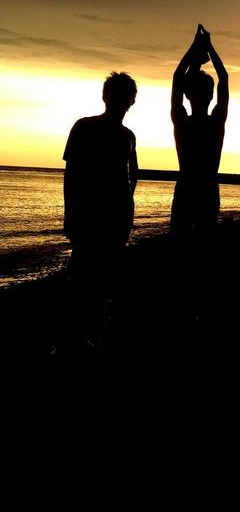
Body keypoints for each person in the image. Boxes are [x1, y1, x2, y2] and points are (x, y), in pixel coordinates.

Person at [63, 71, 139, 335]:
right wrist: (70, 213)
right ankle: (76, 334)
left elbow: (133, 173)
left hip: (116, 216)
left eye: (125, 96)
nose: (120, 100)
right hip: (88, 214)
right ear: (105, 96)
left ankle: (94, 331)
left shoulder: (128, 136)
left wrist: (127, 207)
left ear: (131, 100)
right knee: (83, 275)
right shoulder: (84, 126)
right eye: (116, 94)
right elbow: (71, 173)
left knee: (107, 276)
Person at [170, 24, 229, 236]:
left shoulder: (181, 120)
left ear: (187, 95)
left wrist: (194, 47)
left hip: (186, 185)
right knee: (206, 241)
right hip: (208, 187)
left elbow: (177, 77)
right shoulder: (216, 121)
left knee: (180, 238)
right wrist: (209, 47)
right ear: (211, 96)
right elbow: (224, 77)